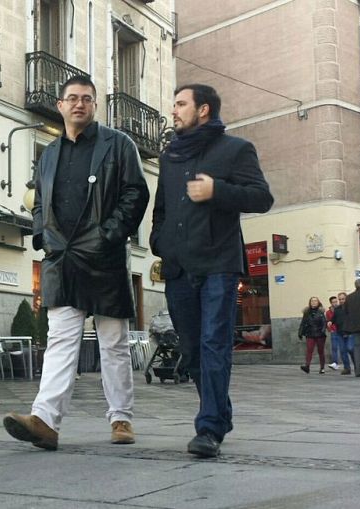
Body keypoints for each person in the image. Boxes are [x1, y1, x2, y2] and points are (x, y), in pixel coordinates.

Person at [3, 75, 149, 450]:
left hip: (103, 256)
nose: (79, 104)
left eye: (86, 98)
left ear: (95, 105)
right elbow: (38, 200)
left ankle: (121, 419)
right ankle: (45, 421)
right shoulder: (49, 154)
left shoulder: (119, 144)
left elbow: (136, 192)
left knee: (113, 343)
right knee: (60, 341)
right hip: (61, 257)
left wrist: (108, 234)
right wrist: (41, 235)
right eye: (72, 98)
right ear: (60, 105)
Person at [149, 84, 274, 458]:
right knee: (191, 350)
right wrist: (160, 241)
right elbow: (161, 210)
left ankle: (208, 429)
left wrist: (217, 189)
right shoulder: (170, 156)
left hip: (219, 264)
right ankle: (219, 413)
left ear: (203, 110)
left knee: (213, 343)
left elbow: (262, 197)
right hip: (178, 267)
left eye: (180, 104)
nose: (173, 110)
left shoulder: (236, 149)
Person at [298, 297, 327, 374]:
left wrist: (323, 330)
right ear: (310, 302)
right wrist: (300, 332)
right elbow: (303, 323)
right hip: (310, 333)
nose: (313, 302)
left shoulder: (321, 311)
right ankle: (307, 366)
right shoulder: (307, 312)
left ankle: (322, 367)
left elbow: (324, 322)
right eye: (312, 301)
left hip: (320, 334)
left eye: (315, 301)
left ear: (318, 302)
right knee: (309, 350)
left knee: (320, 351)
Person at [330, 292, 353, 374]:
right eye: (340, 299)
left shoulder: (351, 308)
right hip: (340, 332)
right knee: (343, 350)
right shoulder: (337, 309)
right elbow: (334, 318)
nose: (341, 301)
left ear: (346, 299)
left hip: (350, 332)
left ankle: (357, 364)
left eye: (343, 299)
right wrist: (330, 322)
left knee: (350, 348)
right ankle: (347, 368)